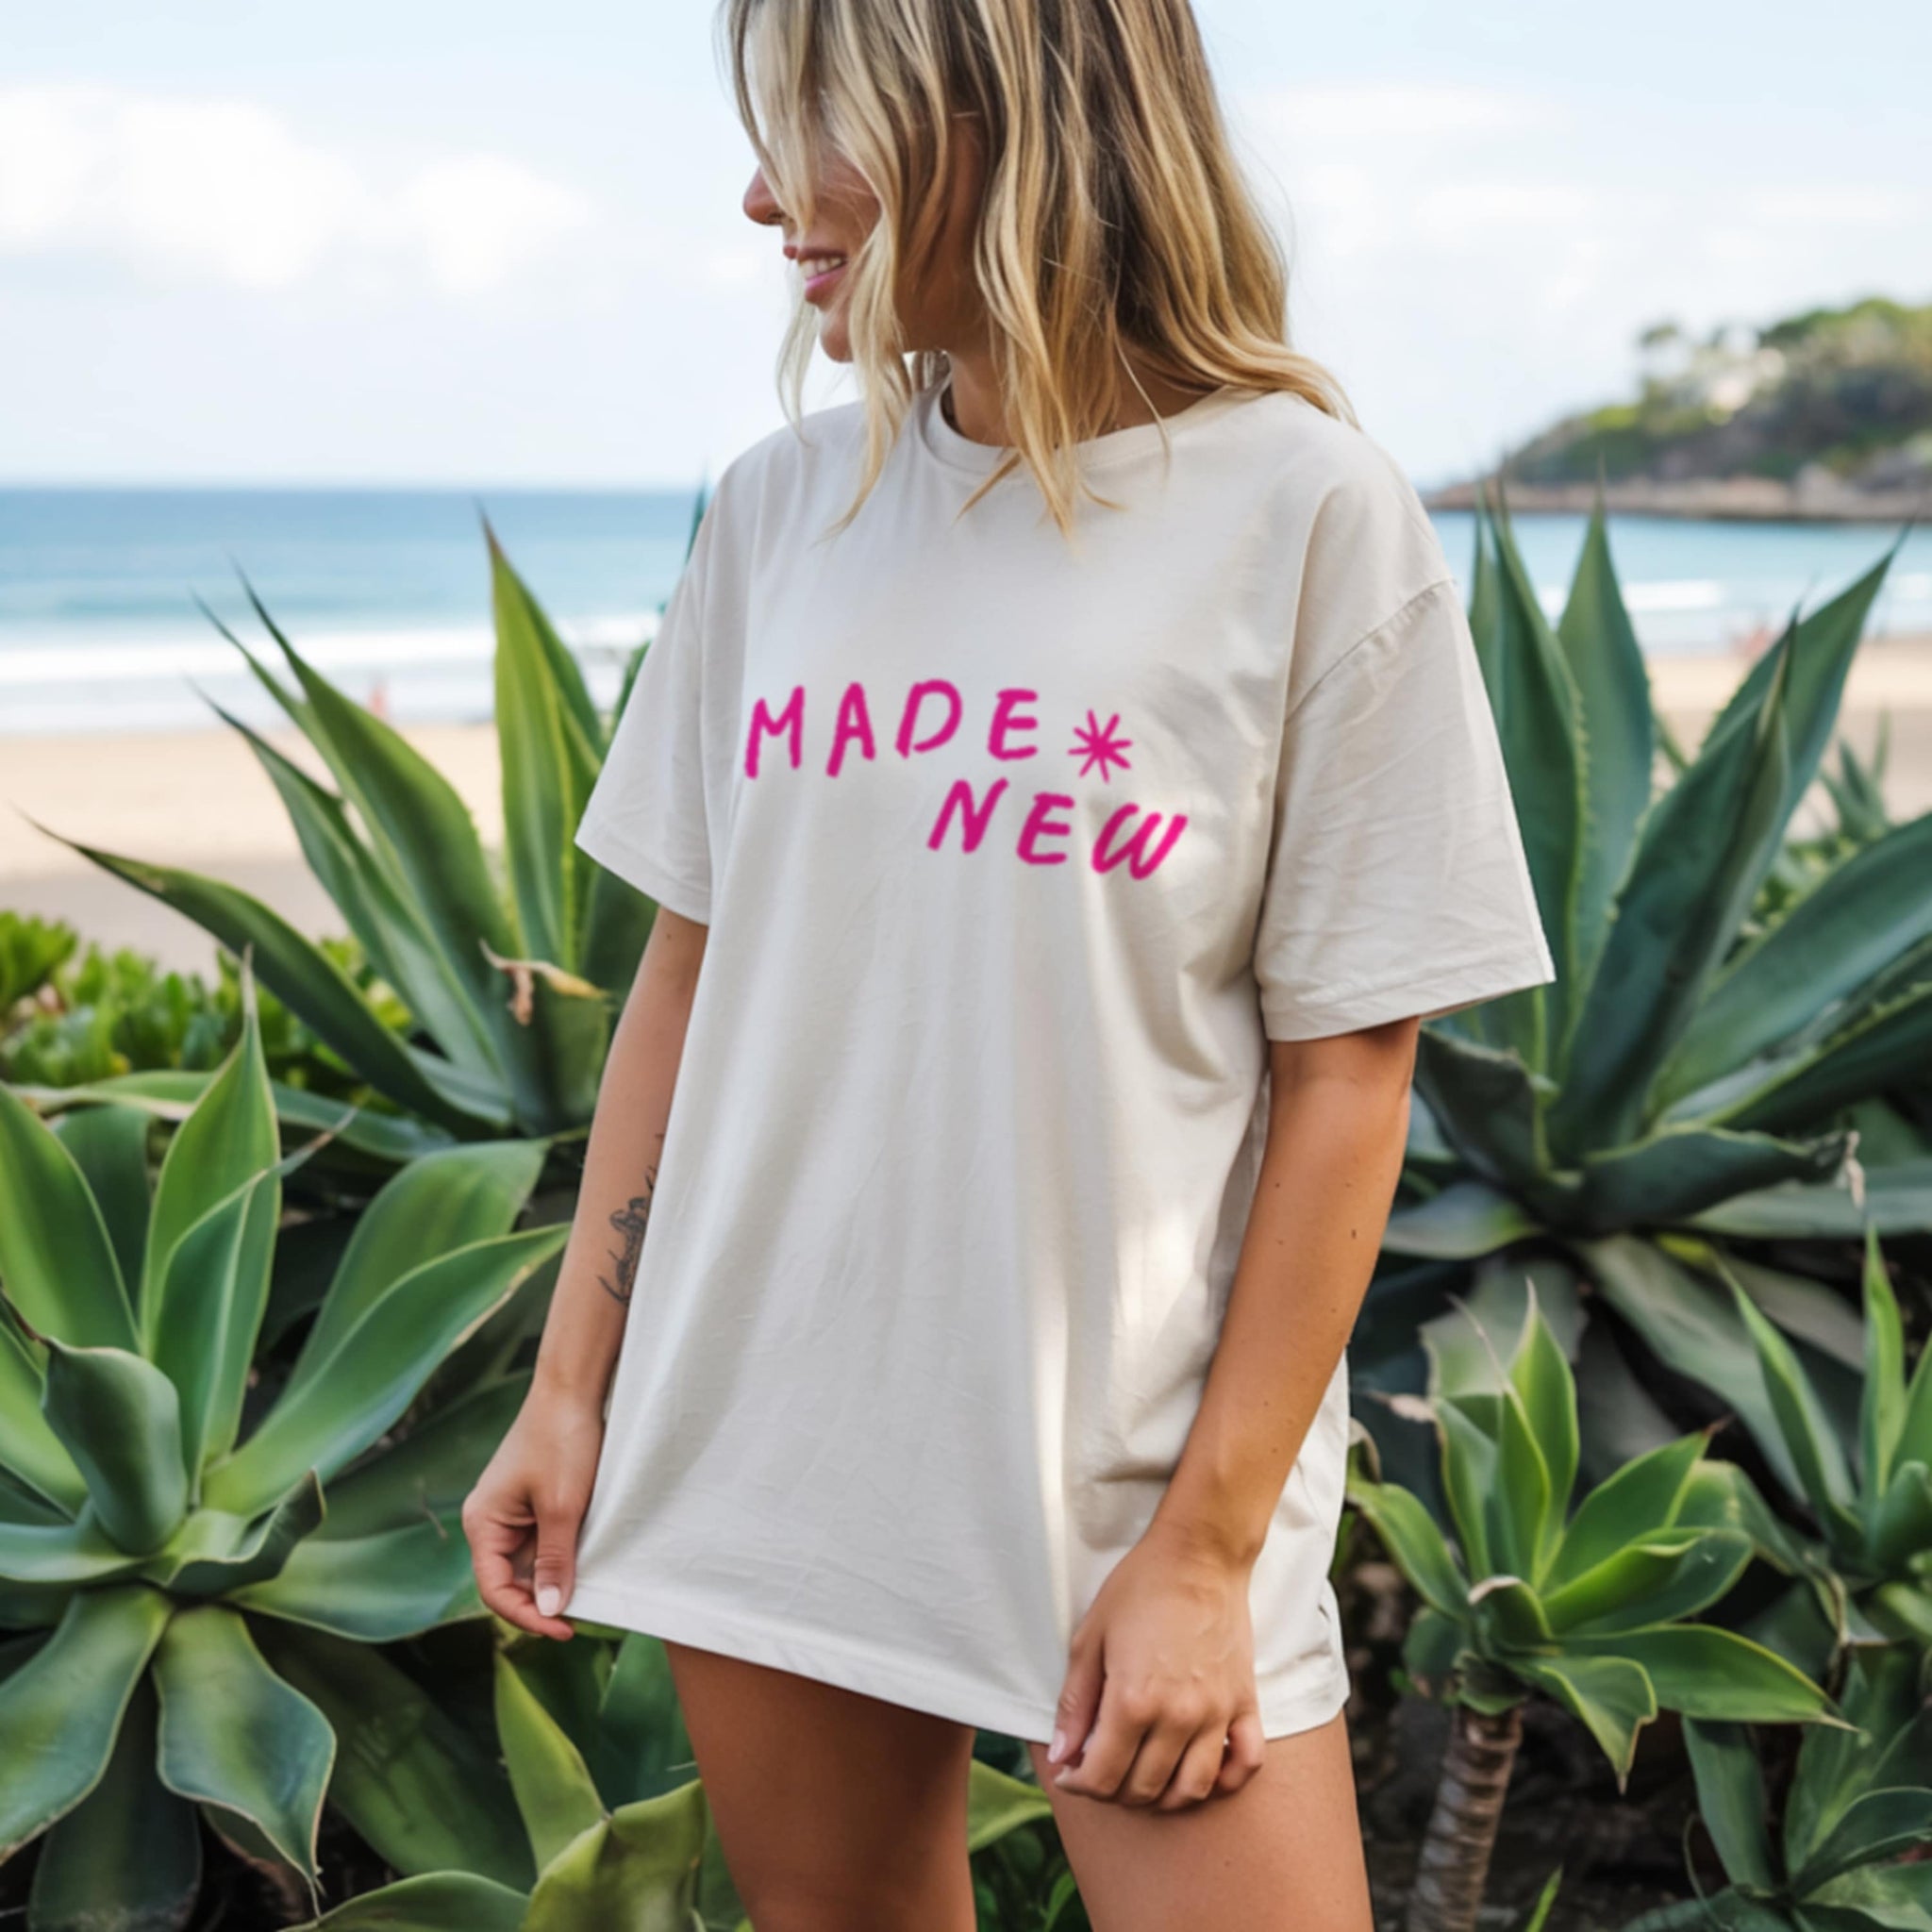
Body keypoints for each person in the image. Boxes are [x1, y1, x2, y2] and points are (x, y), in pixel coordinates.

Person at [462, 0, 1557, 1924]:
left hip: (1132, 1489)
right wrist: (575, 1382)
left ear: (1009, 117)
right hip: (765, 1432)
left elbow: (1346, 1078)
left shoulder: (1307, 511)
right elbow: (685, 981)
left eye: (820, 127)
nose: (760, 196)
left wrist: (1207, 1555)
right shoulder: (780, 512)